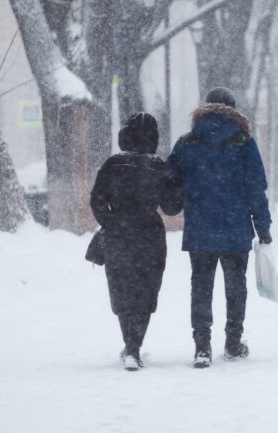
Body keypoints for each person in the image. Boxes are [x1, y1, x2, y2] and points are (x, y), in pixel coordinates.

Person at [167, 87, 273, 369]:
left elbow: (169, 179)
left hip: (200, 228)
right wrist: (263, 226)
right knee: (236, 287)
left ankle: (202, 346)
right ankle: (233, 342)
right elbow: (256, 187)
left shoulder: (187, 143)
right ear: (233, 109)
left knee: (200, 286)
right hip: (235, 227)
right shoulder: (243, 142)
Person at [89, 112, 182, 371]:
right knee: (145, 290)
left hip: (118, 235)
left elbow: (97, 197)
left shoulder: (113, 164)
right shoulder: (159, 166)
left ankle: (129, 344)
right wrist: (179, 185)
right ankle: (134, 346)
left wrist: (110, 222)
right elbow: (172, 208)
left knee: (121, 288)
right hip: (150, 235)